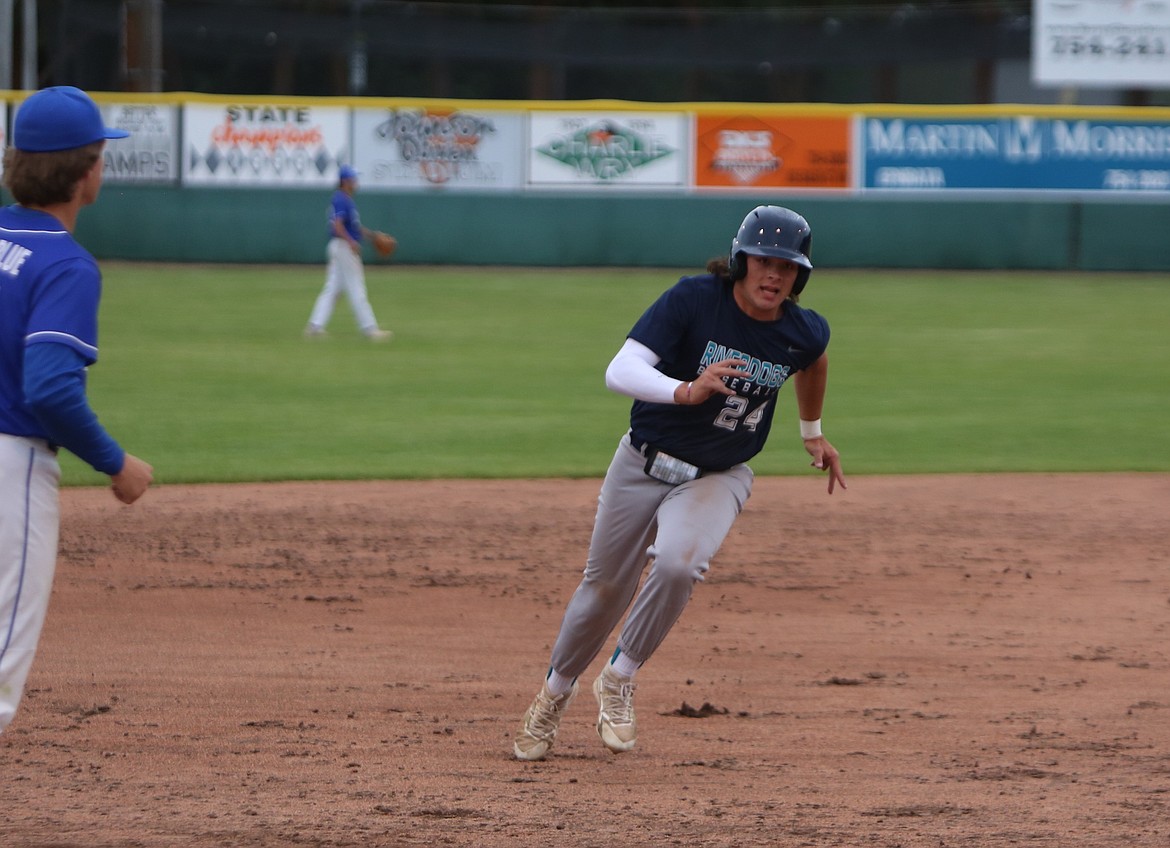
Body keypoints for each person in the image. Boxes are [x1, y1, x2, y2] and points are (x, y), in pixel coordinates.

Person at [513, 205, 846, 761]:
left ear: (800, 276)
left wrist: (812, 433)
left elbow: (814, 362)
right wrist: (686, 390)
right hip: (642, 463)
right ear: (740, 262)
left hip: (720, 474)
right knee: (602, 592)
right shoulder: (694, 299)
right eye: (763, 262)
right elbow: (620, 370)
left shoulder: (802, 329)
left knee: (677, 563)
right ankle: (553, 695)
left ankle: (619, 678)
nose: (773, 276)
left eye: (786, 268)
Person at [0, 86, 154, 733]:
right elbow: (52, 388)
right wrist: (115, 463)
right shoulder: (66, 264)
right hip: (12, 464)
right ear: (87, 171)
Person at [304, 165, 393, 342]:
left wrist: (373, 236)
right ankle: (370, 329)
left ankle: (314, 326)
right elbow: (337, 225)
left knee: (333, 290)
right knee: (356, 288)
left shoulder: (343, 199)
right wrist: (351, 241)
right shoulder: (341, 199)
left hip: (340, 247)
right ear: (345, 182)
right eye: (353, 179)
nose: (355, 182)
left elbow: (354, 228)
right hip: (344, 247)